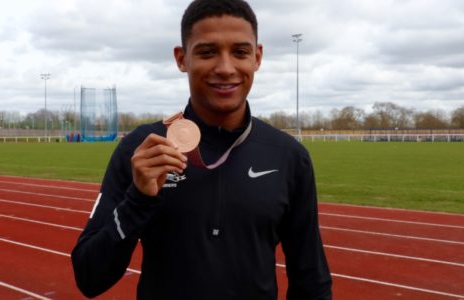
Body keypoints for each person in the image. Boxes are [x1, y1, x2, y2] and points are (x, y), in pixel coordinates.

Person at [71, 0, 332, 299]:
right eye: (207, 52)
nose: (225, 68)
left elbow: (311, 279)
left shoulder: (288, 156)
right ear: (182, 58)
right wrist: (138, 200)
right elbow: (89, 277)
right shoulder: (143, 149)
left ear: (257, 57)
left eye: (240, 52)